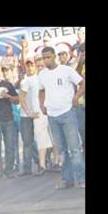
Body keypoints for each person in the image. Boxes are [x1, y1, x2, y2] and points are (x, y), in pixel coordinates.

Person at [37, 47, 85, 189]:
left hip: (67, 112)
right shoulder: (42, 74)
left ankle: (81, 179)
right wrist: (41, 104)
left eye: (48, 57)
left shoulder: (66, 70)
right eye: (44, 58)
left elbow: (82, 83)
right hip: (52, 115)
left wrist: (76, 97)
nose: (46, 60)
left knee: (74, 148)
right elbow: (41, 90)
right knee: (62, 150)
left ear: (54, 57)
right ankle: (67, 180)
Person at [18, 59, 53, 176]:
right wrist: (29, 112)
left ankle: (50, 162)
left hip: (47, 111)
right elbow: (20, 97)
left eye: (32, 65)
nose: (30, 67)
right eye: (27, 66)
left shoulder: (44, 78)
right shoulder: (26, 81)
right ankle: (35, 166)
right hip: (32, 114)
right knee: (31, 141)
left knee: (50, 138)